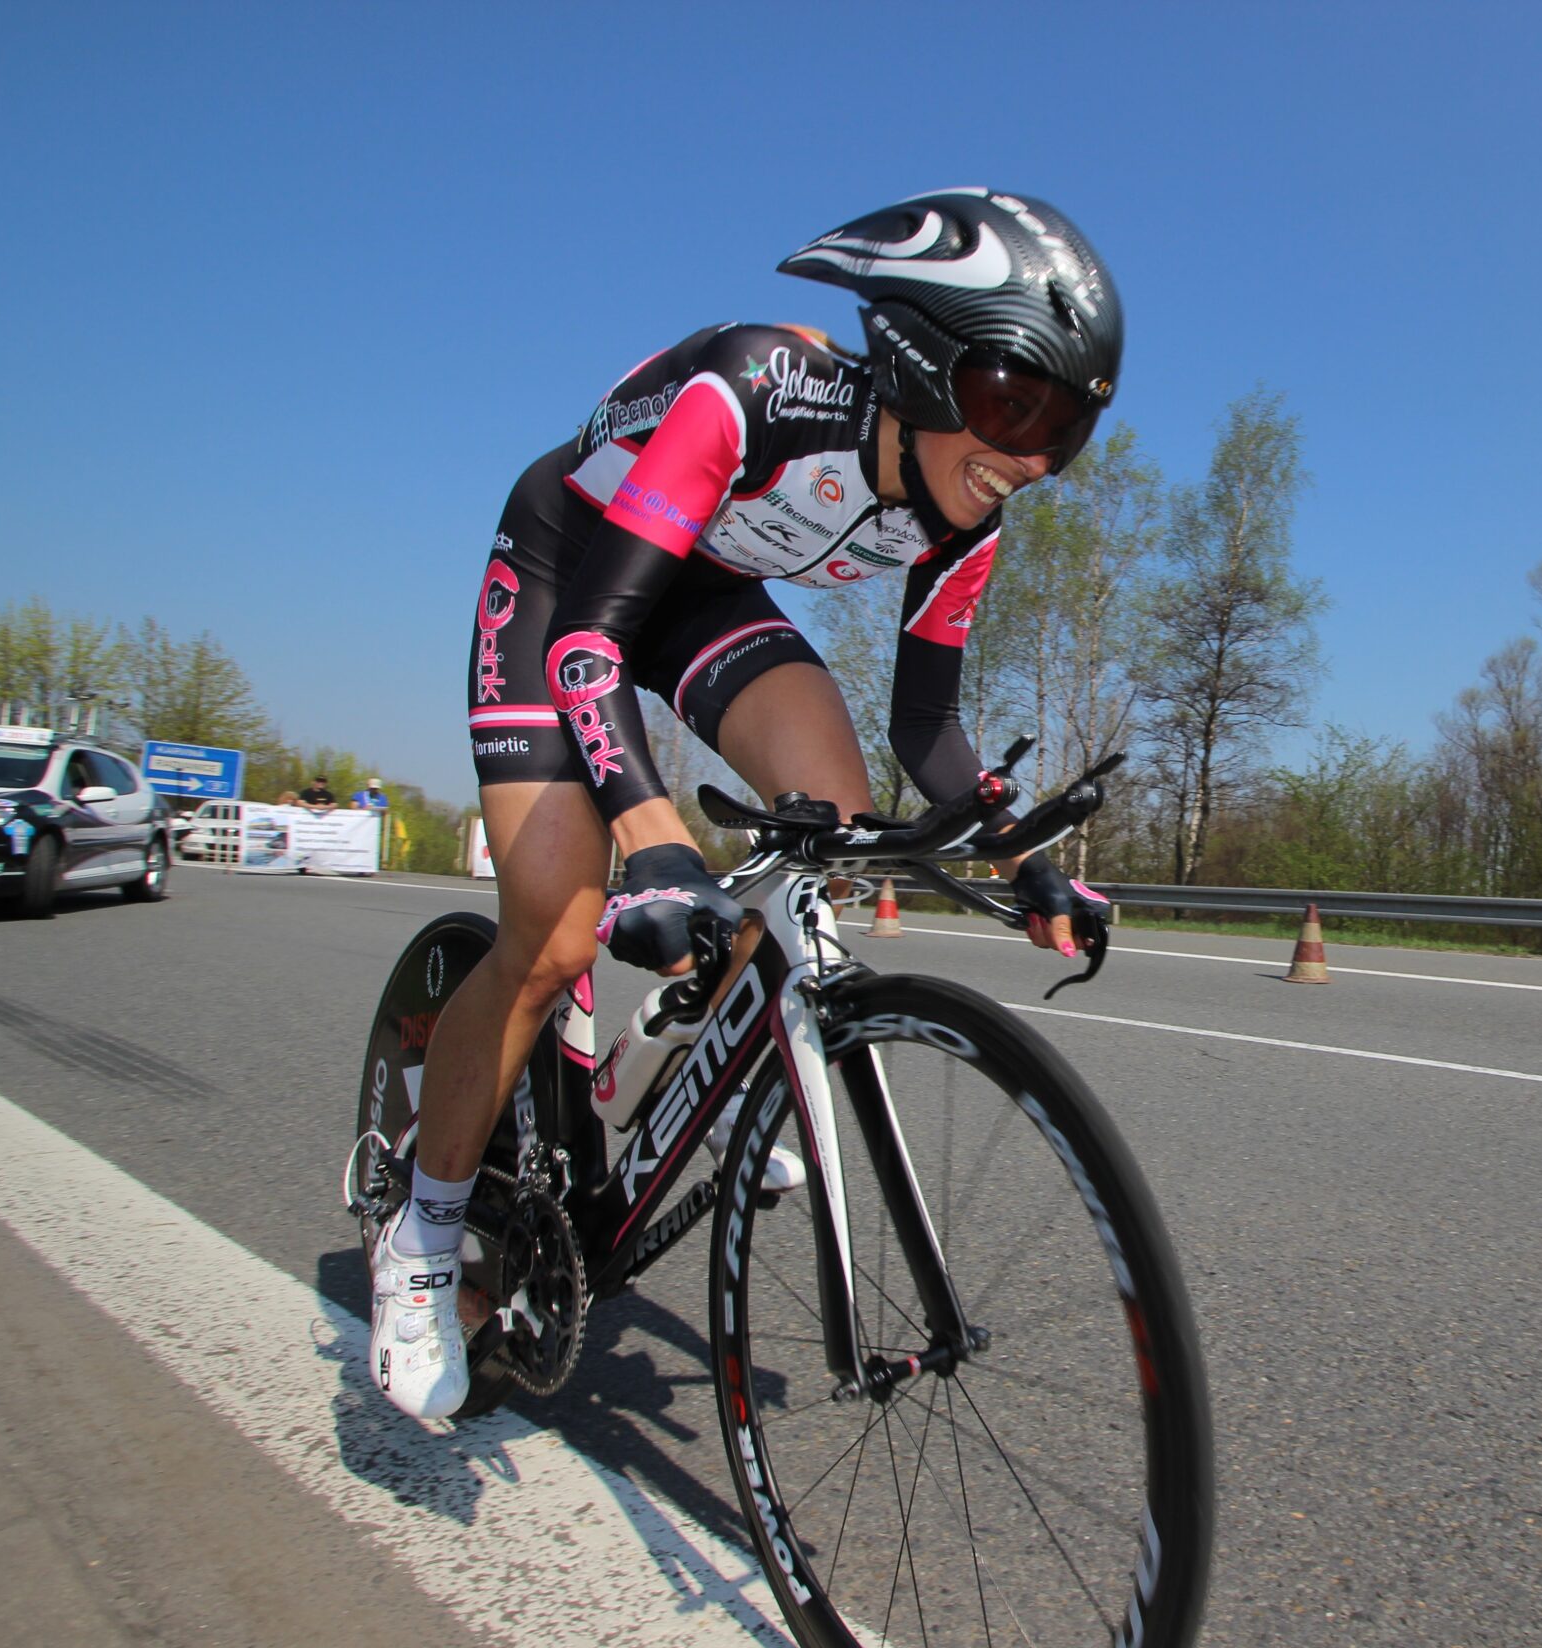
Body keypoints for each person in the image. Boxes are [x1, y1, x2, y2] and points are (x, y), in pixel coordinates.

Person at [374, 189, 1119, 1419]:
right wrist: (652, 837)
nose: (1033, 458)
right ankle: (422, 1236)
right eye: (1016, 405)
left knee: (831, 831)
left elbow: (927, 729)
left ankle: (693, 1056)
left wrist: (1021, 860)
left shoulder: (965, 519)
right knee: (555, 934)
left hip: (702, 592)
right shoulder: (756, 389)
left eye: (1067, 430)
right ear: (919, 361)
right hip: (570, 577)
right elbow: (589, 647)